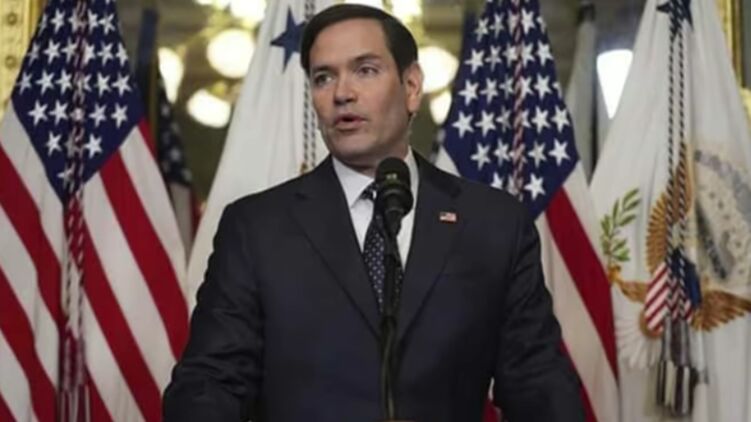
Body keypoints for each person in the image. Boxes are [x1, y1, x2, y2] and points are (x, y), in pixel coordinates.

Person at [163, 4, 584, 422]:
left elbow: (538, 382)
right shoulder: (256, 229)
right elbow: (210, 383)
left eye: (365, 70)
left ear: (412, 86)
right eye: (323, 77)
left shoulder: (493, 223)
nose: (342, 93)